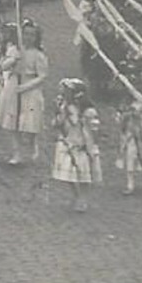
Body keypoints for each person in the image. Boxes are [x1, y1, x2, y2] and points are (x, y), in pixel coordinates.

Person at [50, 79, 104, 212]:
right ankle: (77, 195)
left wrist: (90, 144)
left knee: (84, 174)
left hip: (82, 145)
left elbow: (94, 130)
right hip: (67, 143)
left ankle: (83, 198)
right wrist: (61, 112)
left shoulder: (89, 111)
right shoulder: (64, 107)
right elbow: (56, 124)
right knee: (68, 174)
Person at [1, 22, 47, 166]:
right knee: (13, 122)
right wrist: (14, 59)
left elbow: (42, 76)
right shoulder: (14, 50)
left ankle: (33, 142)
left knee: (29, 120)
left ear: (37, 37)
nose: (28, 38)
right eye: (26, 34)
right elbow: (3, 66)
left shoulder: (38, 55)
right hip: (14, 85)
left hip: (30, 88)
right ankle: (17, 153)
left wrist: (26, 86)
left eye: (32, 35)